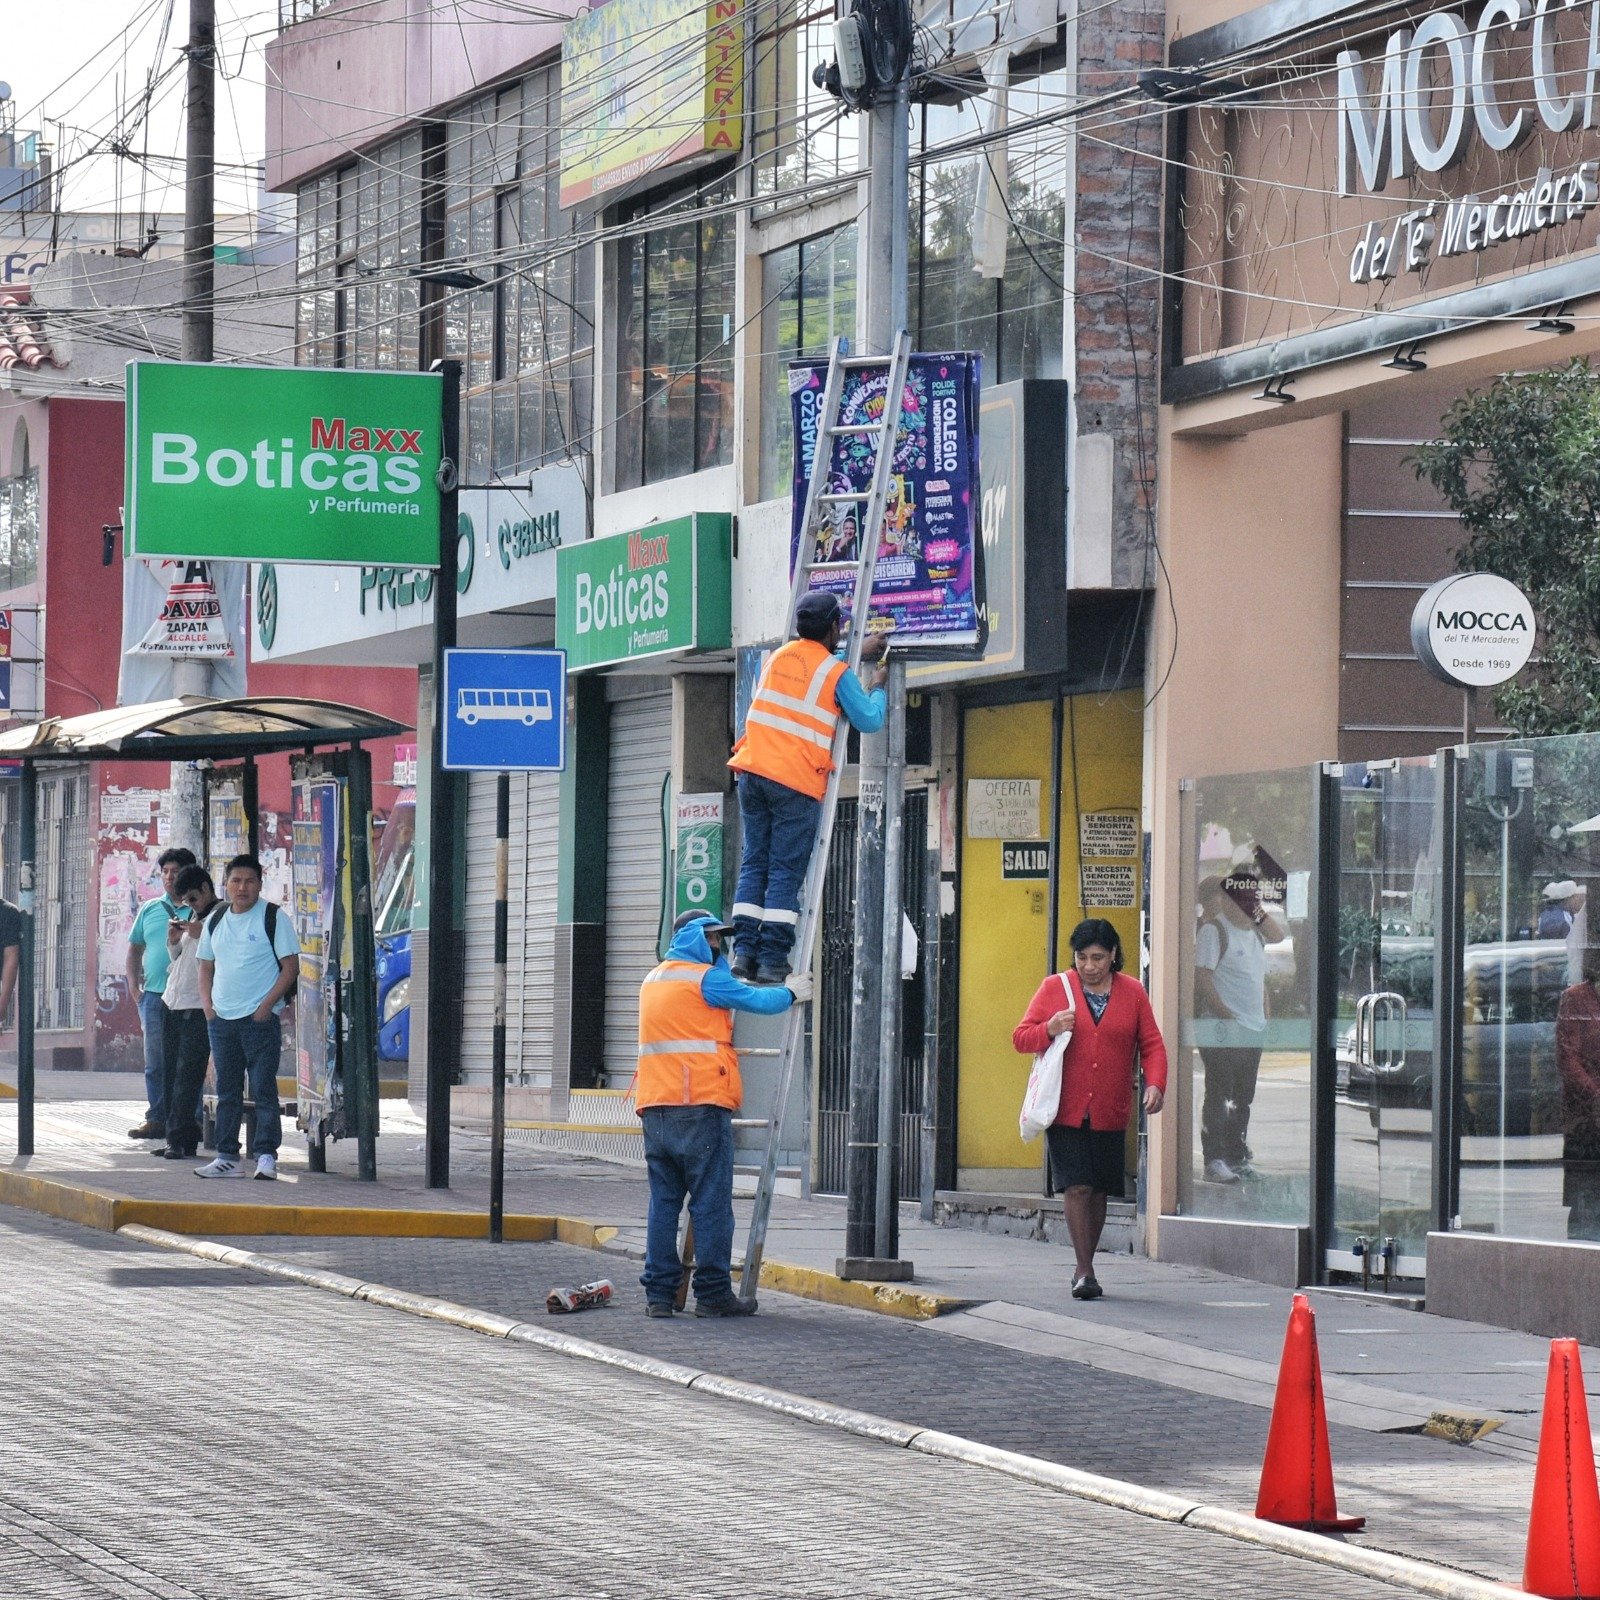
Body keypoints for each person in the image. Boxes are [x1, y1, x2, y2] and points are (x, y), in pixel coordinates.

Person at [636, 909, 812, 1318]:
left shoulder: (653, 979)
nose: (720, 945)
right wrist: (790, 992)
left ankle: (659, 1297)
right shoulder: (704, 978)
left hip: (655, 1107)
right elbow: (755, 1000)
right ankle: (713, 1294)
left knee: (663, 1203)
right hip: (699, 1104)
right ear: (692, 938)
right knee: (711, 1204)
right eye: (713, 938)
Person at [728, 591, 888, 983]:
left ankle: (744, 953)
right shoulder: (836, 673)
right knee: (784, 870)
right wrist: (878, 684)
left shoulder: (778, 658)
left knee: (755, 864)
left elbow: (810, 673)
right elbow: (868, 719)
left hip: (752, 773)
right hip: (794, 782)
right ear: (834, 628)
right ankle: (772, 959)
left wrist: (850, 656)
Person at [1012, 918, 1167, 1301]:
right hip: (1064, 1107)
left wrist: (1155, 1084)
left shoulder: (1132, 993)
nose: (1089, 966)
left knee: (1099, 1190)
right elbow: (1020, 1037)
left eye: (1098, 957)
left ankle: (1087, 1260)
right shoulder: (1055, 988)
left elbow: (1152, 1045)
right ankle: (1084, 1270)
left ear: (1114, 955)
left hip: (1110, 1108)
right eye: (1082, 957)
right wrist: (1048, 1028)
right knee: (1077, 1186)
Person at [194, 855, 299, 1181]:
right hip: (222, 1020)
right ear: (225, 885)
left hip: (258, 1021)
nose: (242, 887)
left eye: (249, 881)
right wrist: (208, 1008)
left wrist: (266, 1007)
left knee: (264, 1089)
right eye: (236, 881)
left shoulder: (272, 917)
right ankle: (227, 1157)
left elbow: (291, 966)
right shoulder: (216, 919)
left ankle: (266, 1155)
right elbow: (205, 966)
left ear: (259, 885)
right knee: (227, 1091)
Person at [1192, 868, 1285, 1184]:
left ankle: (1236, 1155)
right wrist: (1226, 1015)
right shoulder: (1214, 931)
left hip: (1252, 1027)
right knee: (1220, 1093)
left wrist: (1264, 1010)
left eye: (1254, 897)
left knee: (1242, 1097)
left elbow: (1278, 936)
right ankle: (1214, 1159)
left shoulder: (1255, 932)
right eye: (1241, 897)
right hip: (1224, 1029)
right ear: (1226, 899)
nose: (1248, 903)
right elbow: (1203, 978)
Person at [124, 846, 197, 1140]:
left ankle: (188, 1120)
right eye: (165, 871)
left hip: (189, 997)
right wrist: (133, 986)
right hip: (154, 997)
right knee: (155, 1062)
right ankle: (156, 1119)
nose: (169, 877)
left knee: (187, 1060)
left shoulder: (199, 909)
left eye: (175, 871)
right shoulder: (151, 909)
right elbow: (134, 948)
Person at [153, 865, 219, 1161]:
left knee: (187, 1075)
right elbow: (179, 958)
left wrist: (200, 932)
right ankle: (177, 1137)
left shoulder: (221, 915)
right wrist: (173, 939)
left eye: (193, 899)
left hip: (197, 1005)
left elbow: (224, 951)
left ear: (206, 889)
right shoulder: (194, 916)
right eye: (186, 902)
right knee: (169, 1072)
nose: (190, 906)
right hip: (173, 1002)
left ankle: (178, 1139)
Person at [1556, 948, 1600, 1242]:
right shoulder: (1575, 998)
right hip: (1585, 1115)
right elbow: (1567, 1058)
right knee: (1585, 1196)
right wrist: (1596, 1095)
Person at [1541, 880, 1588, 984]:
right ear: (1569, 898)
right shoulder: (1563, 918)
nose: (1578, 900)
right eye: (1575, 897)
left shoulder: (1547, 914)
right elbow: (1571, 947)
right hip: (1558, 967)